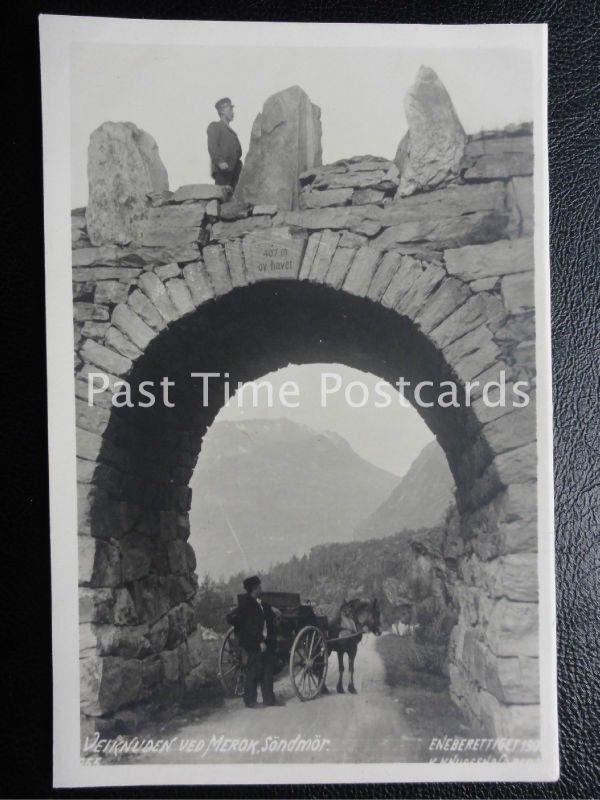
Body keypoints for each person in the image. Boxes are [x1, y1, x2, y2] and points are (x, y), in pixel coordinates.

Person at [228, 575, 283, 708]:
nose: (261, 589)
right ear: (255, 588)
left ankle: (269, 699)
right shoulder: (247, 605)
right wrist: (260, 641)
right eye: (259, 587)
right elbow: (250, 627)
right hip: (253, 642)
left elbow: (264, 608)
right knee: (253, 670)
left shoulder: (256, 602)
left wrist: (273, 609)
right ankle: (250, 701)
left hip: (262, 641)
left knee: (267, 668)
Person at [207, 97, 243, 191]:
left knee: (233, 197)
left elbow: (238, 151)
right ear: (222, 111)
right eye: (230, 109)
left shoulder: (232, 133)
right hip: (223, 169)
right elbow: (212, 146)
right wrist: (219, 161)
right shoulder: (215, 126)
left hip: (235, 169)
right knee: (220, 195)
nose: (233, 112)